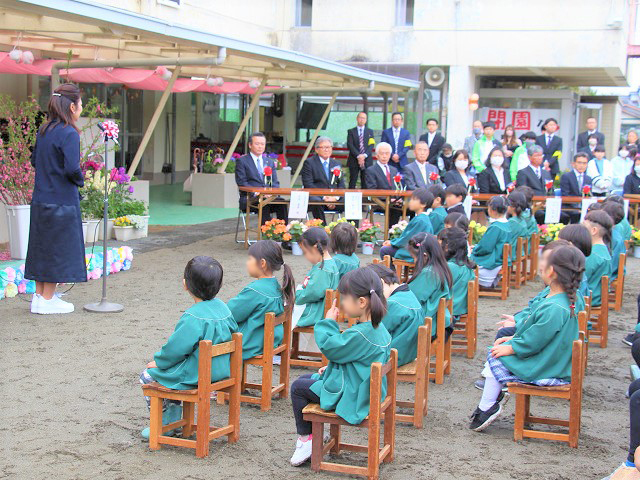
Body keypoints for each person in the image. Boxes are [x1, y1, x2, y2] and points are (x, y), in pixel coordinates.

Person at [469, 244, 583, 432]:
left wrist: (513, 347)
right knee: (500, 348)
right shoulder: (566, 299)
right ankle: (490, 401)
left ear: (552, 271)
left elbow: (535, 340)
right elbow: (537, 334)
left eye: (544, 261)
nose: (540, 265)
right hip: (555, 358)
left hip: (547, 365)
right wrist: (513, 340)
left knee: (496, 355)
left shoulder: (555, 306)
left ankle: (486, 406)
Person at [289, 268, 391, 466]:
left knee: (297, 388)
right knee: (305, 380)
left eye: (345, 298)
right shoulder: (378, 328)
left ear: (362, 302)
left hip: (354, 394)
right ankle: (316, 434)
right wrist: (332, 369)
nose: (342, 303)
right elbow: (356, 360)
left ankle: (306, 439)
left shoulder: (361, 333)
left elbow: (332, 348)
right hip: (365, 386)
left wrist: (328, 322)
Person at [139, 256, 238, 438]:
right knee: (169, 374)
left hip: (196, 374)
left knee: (147, 376)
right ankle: (174, 422)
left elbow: (175, 349)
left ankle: (162, 424)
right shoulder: (224, 309)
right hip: (222, 370)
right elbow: (234, 333)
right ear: (220, 284)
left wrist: (159, 362)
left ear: (185, 284)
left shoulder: (193, 316)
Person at [25, 83, 86, 315]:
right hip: (61, 200)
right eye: (80, 104)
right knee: (56, 249)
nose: (80, 108)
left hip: (41, 198)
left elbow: (33, 161)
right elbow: (72, 168)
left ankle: (40, 296)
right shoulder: (69, 133)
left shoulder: (44, 130)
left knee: (43, 248)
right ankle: (48, 299)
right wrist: (81, 180)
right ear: (71, 106)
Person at [227, 240, 295, 360]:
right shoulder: (277, 286)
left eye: (249, 259)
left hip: (253, 342)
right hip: (272, 338)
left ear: (262, 263)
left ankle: (230, 378)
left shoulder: (255, 290)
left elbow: (231, 314)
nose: (247, 263)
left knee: (216, 340)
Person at [368, 263, 423, 366]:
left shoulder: (392, 304)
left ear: (381, 283)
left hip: (393, 356)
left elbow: (373, 332)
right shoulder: (408, 294)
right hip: (408, 353)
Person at [407, 233, 453, 339]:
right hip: (439, 322)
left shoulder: (428, 273)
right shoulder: (439, 268)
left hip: (429, 327)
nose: (413, 262)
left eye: (413, 258)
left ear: (424, 256)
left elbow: (410, 299)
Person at [235, 132, 287, 224]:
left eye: (262, 144)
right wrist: (259, 193)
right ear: (250, 145)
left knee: (282, 203)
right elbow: (242, 182)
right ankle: (265, 235)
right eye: (257, 144)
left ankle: (282, 233)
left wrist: (271, 192)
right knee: (263, 202)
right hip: (250, 198)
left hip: (268, 196)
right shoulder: (242, 161)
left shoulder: (269, 162)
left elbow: (274, 182)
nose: (260, 147)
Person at [294, 228, 340, 327]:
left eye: (305, 252)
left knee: (282, 315)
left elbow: (311, 294)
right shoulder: (329, 264)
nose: (305, 256)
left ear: (315, 248)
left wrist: (296, 295)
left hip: (314, 313)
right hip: (320, 310)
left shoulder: (322, 269)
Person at [380, 188, 434, 261]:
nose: (410, 201)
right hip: (418, 250)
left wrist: (392, 243)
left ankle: (391, 272)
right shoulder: (423, 218)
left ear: (423, 204)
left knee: (384, 250)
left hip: (416, 252)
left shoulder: (420, 220)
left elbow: (408, 238)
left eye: (413, 199)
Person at [301, 136, 345, 223]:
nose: (326, 150)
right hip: (318, 197)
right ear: (316, 150)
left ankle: (352, 230)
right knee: (316, 201)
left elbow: (341, 185)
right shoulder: (309, 163)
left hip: (334, 198)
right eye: (323, 147)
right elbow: (308, 184)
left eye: (328, 147)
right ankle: (323, 230)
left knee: (353, 199)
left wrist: (335, 198)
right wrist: (324, 197)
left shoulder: (336, 163)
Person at [471, 196, 511, 288]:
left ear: (493, 210)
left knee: (467, 258)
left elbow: (485, 247)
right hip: (501, 257)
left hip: (493, 260)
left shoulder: (495, 227)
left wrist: (475, 249)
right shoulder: (507, 224)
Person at [438, 227, 476, 319]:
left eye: (439, 243)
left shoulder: (450, 267)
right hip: (460, 308)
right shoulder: (465, 265)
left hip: (449, 309)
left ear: (446, 246)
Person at [365, 142, 402, 227]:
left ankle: (396, 233)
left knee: (408, 207)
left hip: (394, 201)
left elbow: (397, 186)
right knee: (395, 209)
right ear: (377, 155)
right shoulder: (371, 170)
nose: (384, 156)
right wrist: (388, 199)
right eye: (382, 153)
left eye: (387, 153)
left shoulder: (394, 170)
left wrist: (397, 199)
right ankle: (391, 234)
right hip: (379, 201)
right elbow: (372, 190)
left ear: (390, 155)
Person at [583, 210, 613, 308]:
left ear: (594, 230)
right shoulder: (602, 249)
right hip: (596, 295)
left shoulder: (593, 254)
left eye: (583, 226)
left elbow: (581, 277)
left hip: (588, 297)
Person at [560, 153, 592, 223]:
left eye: (584, 163)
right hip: (569, 207)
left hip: (583, 207)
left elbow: (588, 196)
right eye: (579, 163)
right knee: (576, 214)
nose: (582, 165)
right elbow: (565, 195)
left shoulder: (588, 179)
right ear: (573, 164)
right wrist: (578, 206)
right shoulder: (566, 177)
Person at [346, 112, 375, 189]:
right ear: (357, 118)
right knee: (352, 181)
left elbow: (371, 145)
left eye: (364, 118)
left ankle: (365, 199)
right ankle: (350, 199)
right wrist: (358, 156)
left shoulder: (370, 132)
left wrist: (364, 155)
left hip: (367, 160)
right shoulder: (351, 131)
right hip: (354, 159)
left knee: (365, 181)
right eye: (360, 118)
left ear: (366, 120)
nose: (362, 120)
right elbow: (350, 145)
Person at [602, 202, 627, 282]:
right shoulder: (616, 235)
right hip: (607, 272)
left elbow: (611, 266)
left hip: (606, 275)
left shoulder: (613, 237)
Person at [506, 191, 529, 262]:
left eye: (507, 204)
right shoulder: (522, 218)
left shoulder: (512, 222)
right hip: (519, 252)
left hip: (511, 253)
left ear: (512, 206)